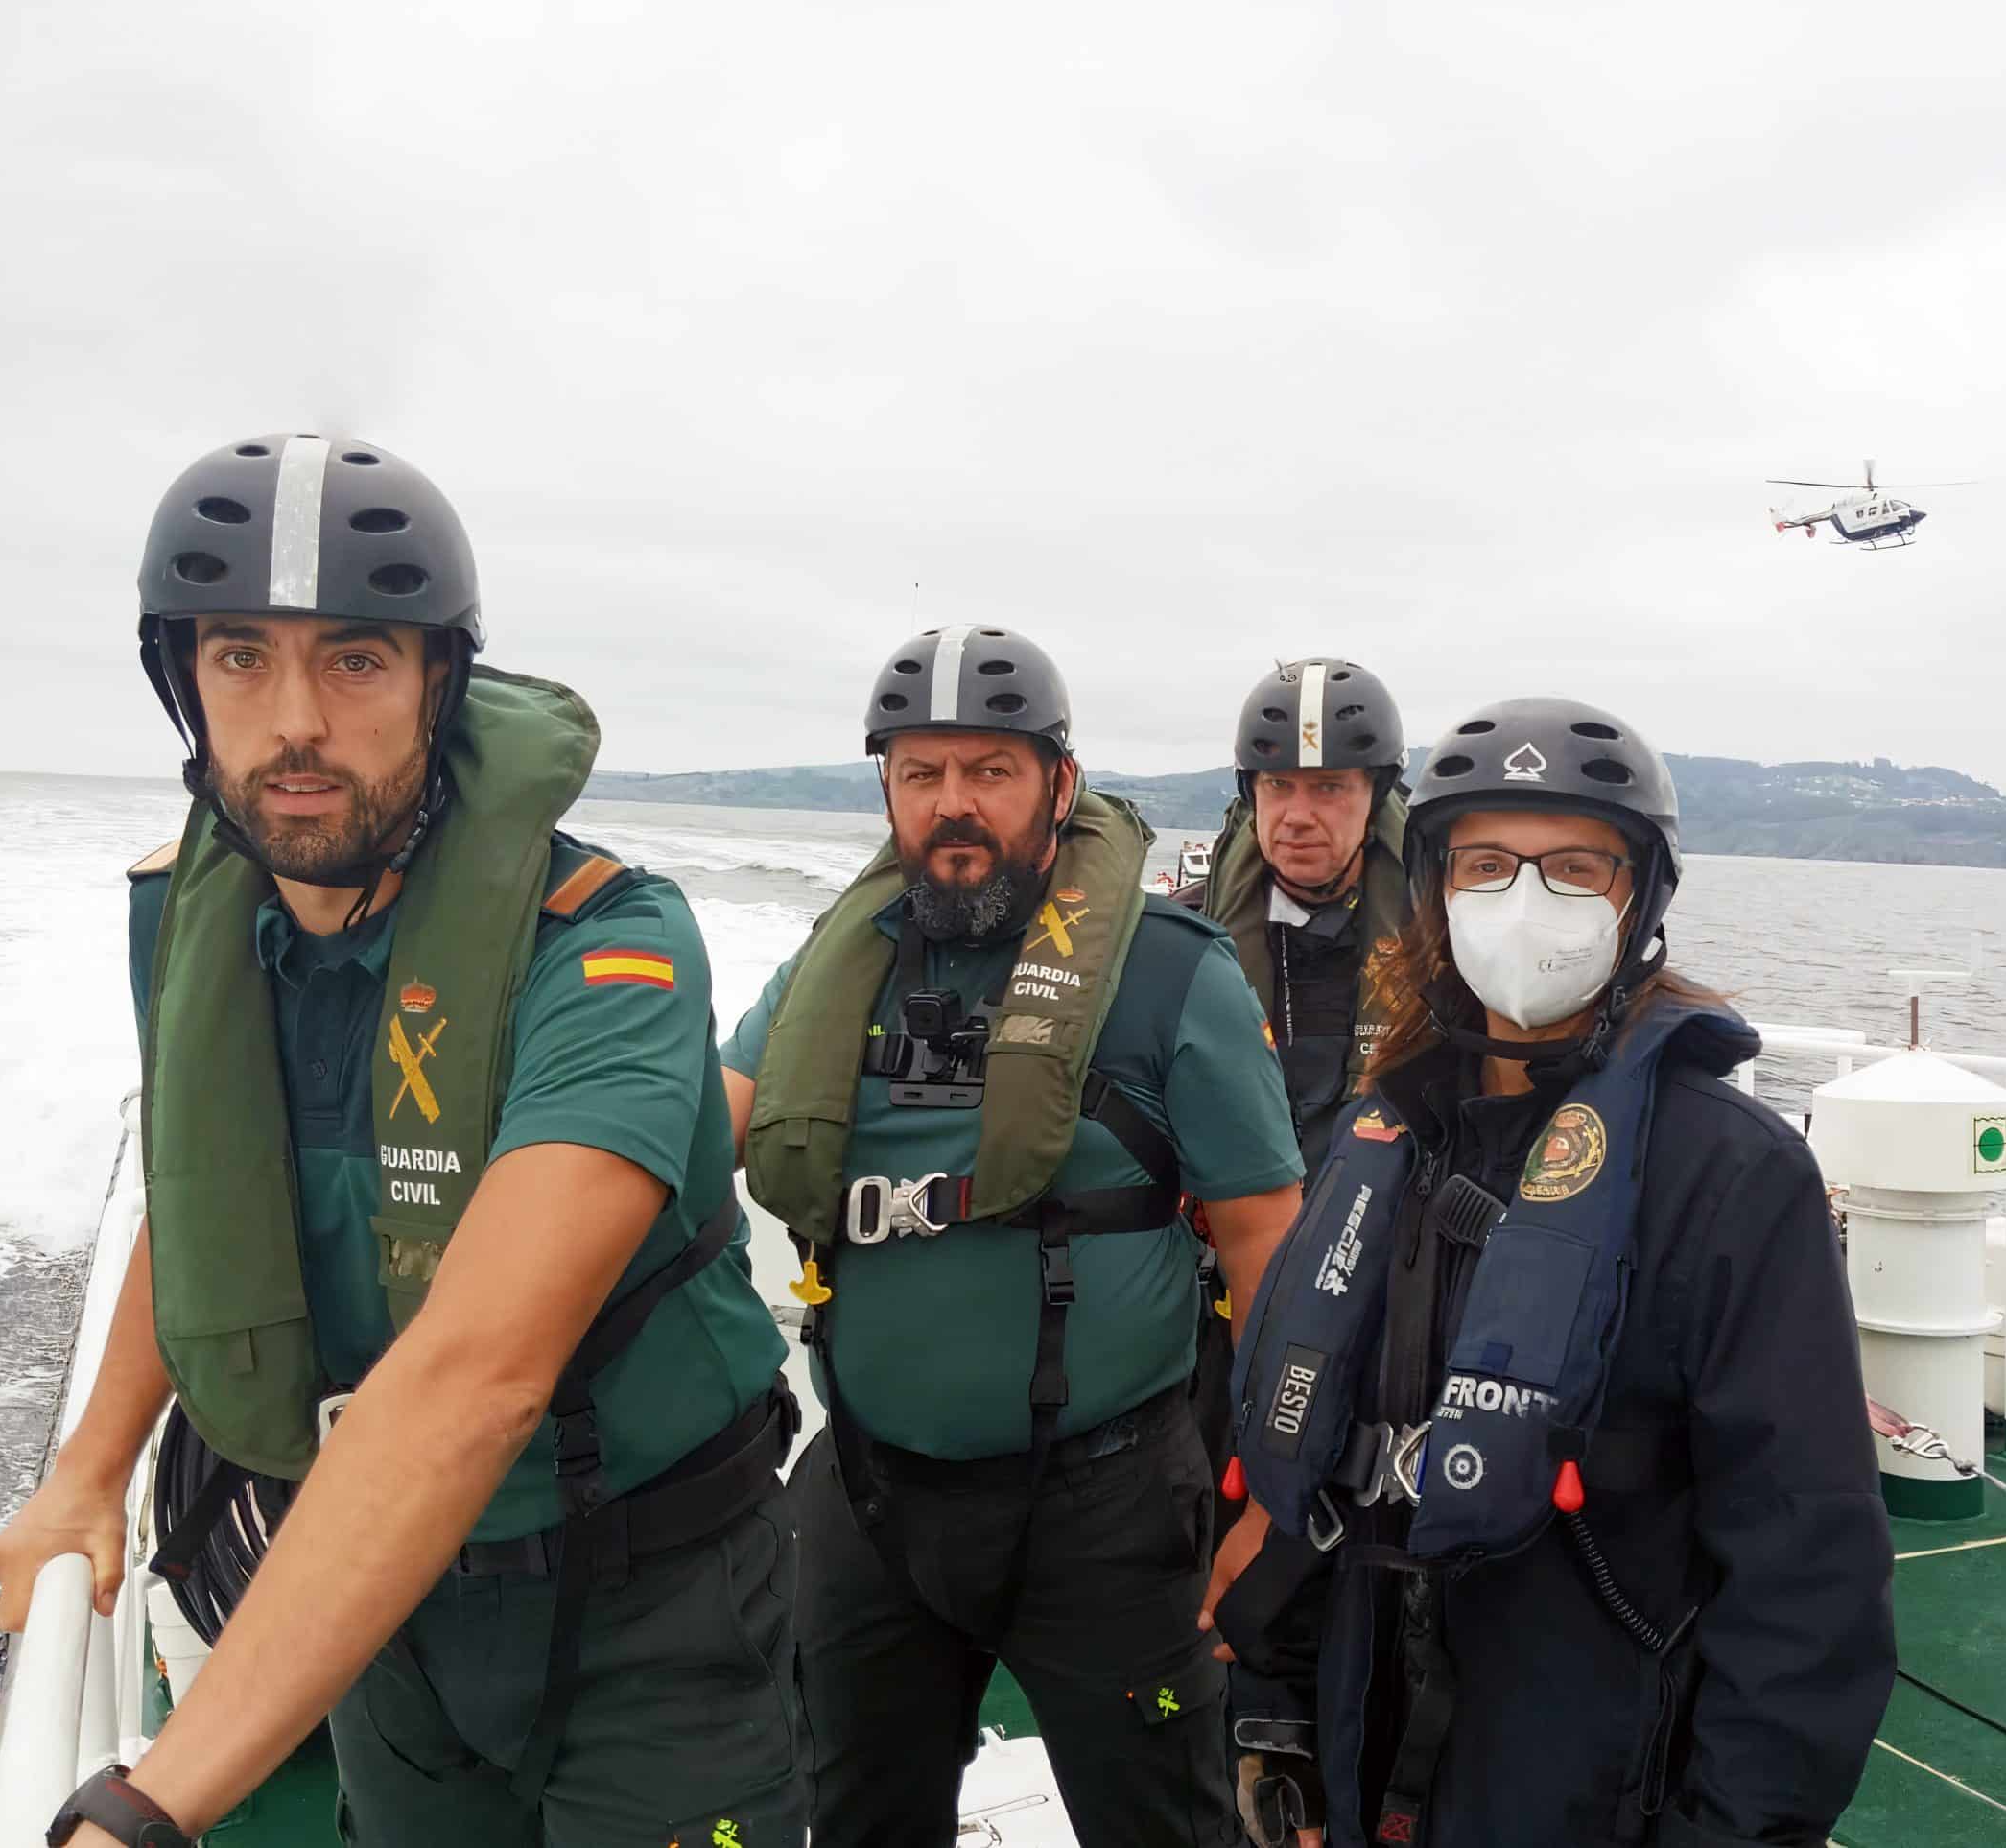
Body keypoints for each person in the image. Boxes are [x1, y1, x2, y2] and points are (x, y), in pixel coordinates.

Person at [0, 435, 800, 1846]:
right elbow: (205, 1198)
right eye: (241, 656)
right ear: (181, 679)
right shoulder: (189, 928)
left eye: (355, 659)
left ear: (439, 681)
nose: (293, 719)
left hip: (653, 1597)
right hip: (385, 1597)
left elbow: (479, 1374)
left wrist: (154, 1797)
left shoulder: (608, 946)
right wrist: (87, 1472)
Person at [1204, 698, 1896, 1848]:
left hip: (1585, 1785)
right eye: (1486, 864)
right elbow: (1310, 1469)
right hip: (1365, 1762)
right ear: (1434, 892)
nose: (1525, 904)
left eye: (1574, 868)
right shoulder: (1391, 1139)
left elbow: (1805, 1573)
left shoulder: (1728, 1178)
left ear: (1641, 902)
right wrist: (1283, 1736)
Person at [719, 625, 1306, 1848]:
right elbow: (688, 1138)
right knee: (855, 1817)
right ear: (886, 789)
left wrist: (1272, 1495)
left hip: (1108, 1509)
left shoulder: (1170, 976)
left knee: (1160, 1826)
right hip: (871, 1495)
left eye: (989, 770)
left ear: (1059, 785)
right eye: (921, 774)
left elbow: (1267, 1249)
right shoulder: (833, 975)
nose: (954, 806)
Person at [1174, 658, 1412, 1176]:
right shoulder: (1183, 937)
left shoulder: (1443, 944)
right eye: (1278, 786)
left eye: (1328, 788)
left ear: (1375, 798)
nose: (1298, 817)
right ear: (1251, 793)